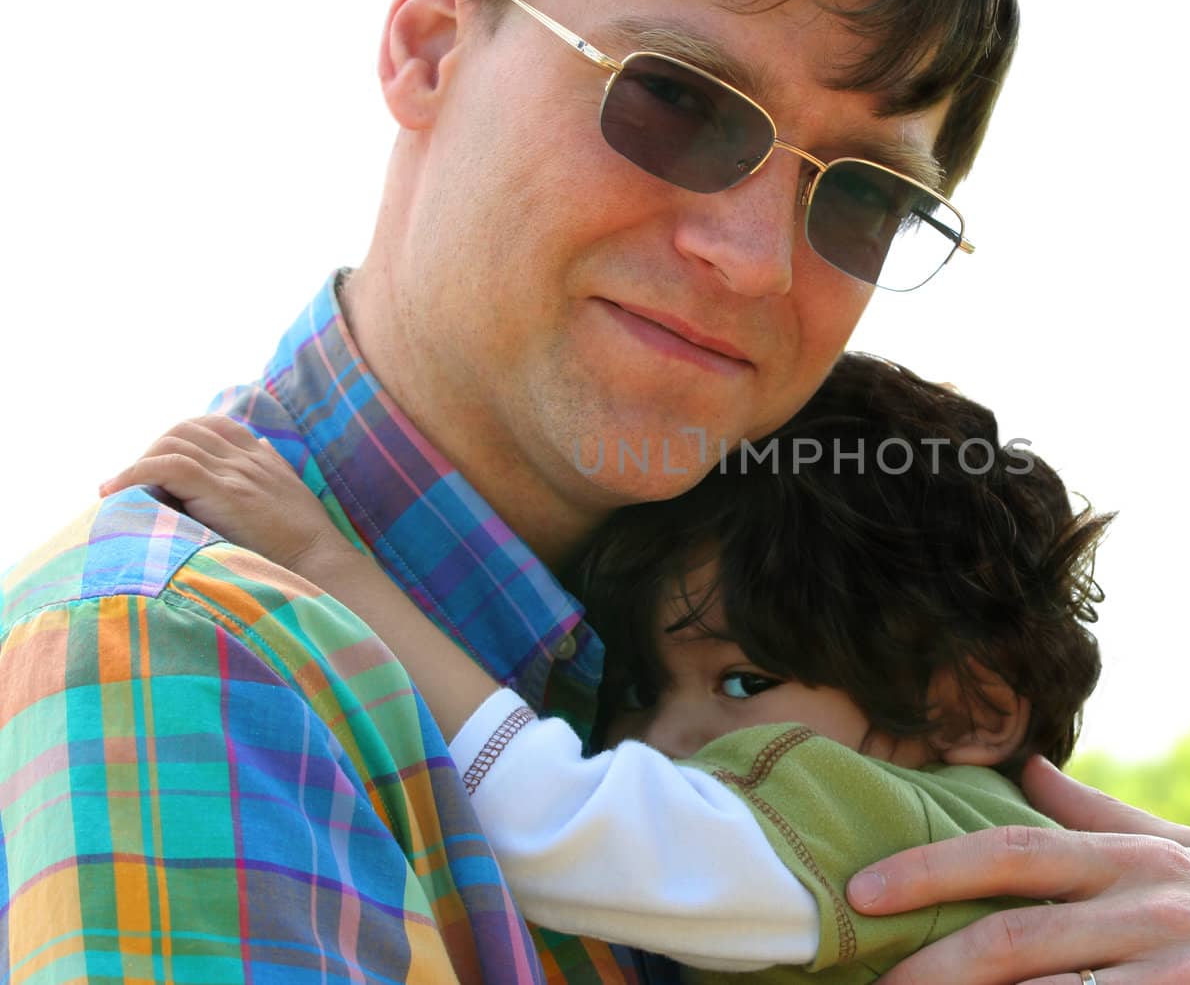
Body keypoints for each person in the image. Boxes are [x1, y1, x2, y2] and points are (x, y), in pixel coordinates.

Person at [0, 0, 1190, 982]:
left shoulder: (759, 642)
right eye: (673, 99)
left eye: (862, 195)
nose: (750, 258)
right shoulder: (189, 657)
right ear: (430, 44)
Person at [99, 352, 1112, 981]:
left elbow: (559, 827)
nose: (654, 737)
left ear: (968, 706)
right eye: (639, 690)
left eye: (742, 683)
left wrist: (332, 568)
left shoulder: (886, 825)